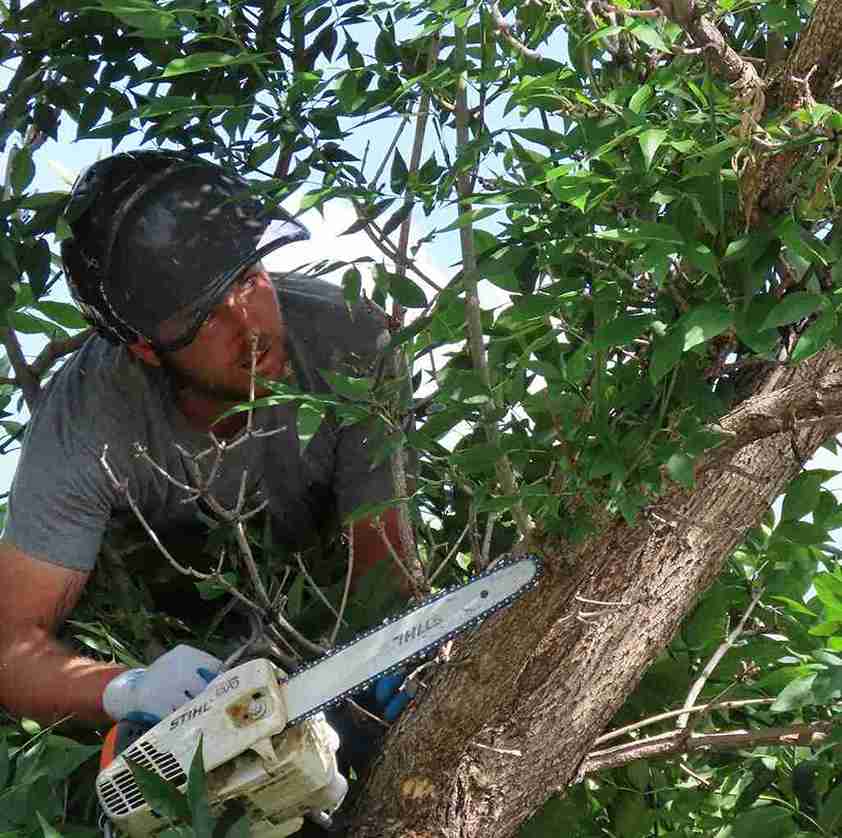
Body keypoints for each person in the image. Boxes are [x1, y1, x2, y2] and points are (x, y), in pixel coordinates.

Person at [0, 150, 410, 734]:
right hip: (155, 628)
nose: (250, 328)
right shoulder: (88, 423)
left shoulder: (352, 340)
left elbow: (384, 563)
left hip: (314, 604)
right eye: (205, 316)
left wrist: (383, 648)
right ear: (145, 347)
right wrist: (127, 689)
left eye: (249, 278)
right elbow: (11, 646)